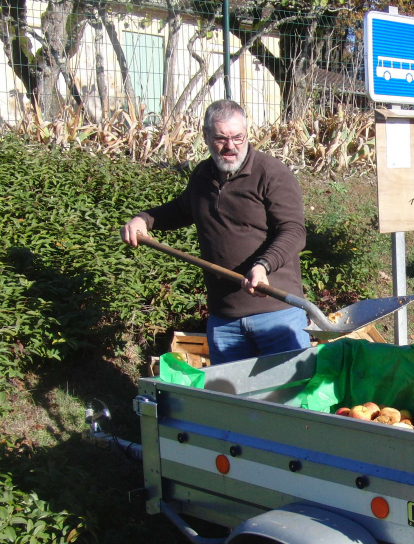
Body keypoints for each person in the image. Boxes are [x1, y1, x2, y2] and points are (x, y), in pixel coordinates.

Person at [121, 99, 312, 365]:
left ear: (247, 134)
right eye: (221, 138)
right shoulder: (202, 176)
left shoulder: (271, 174)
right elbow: (182, 208)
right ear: (206, 136)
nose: (231, 146)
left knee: (291, 398)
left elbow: (293, 231)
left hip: (276, 315)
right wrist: (144, 220)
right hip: (225, 322)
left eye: (238, 137)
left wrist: (263, 266)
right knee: (231, 403)